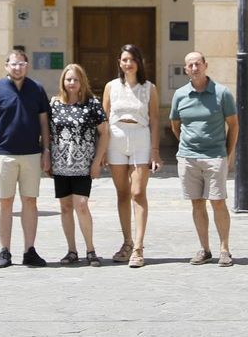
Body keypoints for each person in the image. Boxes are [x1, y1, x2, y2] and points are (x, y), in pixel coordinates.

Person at [0, 47, 52, 268]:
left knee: (30, 201)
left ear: (26, 66)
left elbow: (43, 123)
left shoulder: (36, 89)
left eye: (21, 63)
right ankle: (5, 251)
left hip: (31, 154)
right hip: (3, 155)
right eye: (13, 63)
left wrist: (46, 150)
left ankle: (30, 250)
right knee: (5, 202)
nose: (17, 67)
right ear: (6, 66)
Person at [169, 49, 238, 267]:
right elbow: (175, 125)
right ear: (186, 68)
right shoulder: (180, 94)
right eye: (190, 65)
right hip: (188, 157)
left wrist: (228, 152)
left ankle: (224, 249)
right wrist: (186, 144)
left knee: (218, 201)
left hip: (214, 156)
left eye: (198, 64)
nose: (194, 68)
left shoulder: (222, 93)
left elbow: (233, 124)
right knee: (197, 203)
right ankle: (204, 249)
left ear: (206, 65)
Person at [101, 44, 160, 268]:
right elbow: (104, 119)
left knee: (138, 192)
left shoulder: (149, 88)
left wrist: (155, 151)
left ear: (139, 62)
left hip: (140, 137)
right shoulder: (111, 87)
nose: (128, 63)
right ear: (119, 62)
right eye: (124, 59)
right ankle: (127, 242)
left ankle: (139, 246)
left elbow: (155, 119)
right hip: (116, 137)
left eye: (132, 59)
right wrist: (103, 150)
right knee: (122, 193)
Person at [48, 63, 108, 267]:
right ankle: (71, 250)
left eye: (75, 79)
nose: (71, 83)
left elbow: (104, 133)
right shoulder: (54, 104)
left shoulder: (92, 103)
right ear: (63, 82)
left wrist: (98, 161)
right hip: (61, 164)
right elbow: (47, 132)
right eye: (68, 79)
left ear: (82, 81)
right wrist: (46, 156)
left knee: (81, 205)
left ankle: (90, 250)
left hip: (83, 164)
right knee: (65, 207)